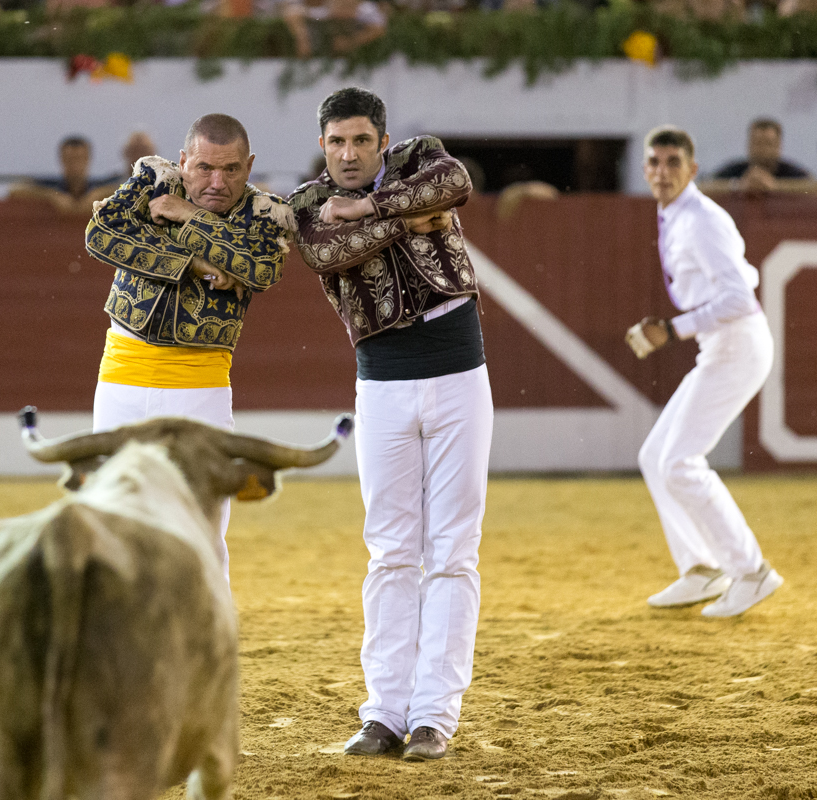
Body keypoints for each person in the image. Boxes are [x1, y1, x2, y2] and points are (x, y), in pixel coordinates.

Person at [288, 87, 492, 762]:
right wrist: (418, 219)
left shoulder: (419, 160)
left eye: (360, 141)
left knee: (452, 550)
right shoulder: (306, 205)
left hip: (459, 373)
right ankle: (383, 714)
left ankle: (434, 715)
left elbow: (456, 183)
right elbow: (327, 253)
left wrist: (375, 207)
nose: (349, 154)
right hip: (381, 384)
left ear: (382, 141)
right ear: (323, 146)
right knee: (392, 548)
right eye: (337, 142)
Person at [83, 113, 293, 578]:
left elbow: (261, 270)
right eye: (203, 168)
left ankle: (203, 643)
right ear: (183, 161)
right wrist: (194, 263)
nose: (217, 182)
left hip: (198, 384)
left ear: (249, 165)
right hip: (122, 376)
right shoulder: (152, 179)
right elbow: (101, 236)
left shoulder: (268, 213)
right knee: (114, 518)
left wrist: (189, 215)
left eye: (231, 170)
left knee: (203, 524)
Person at [625, 125, 783, 618]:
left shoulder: (702, 219)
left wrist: (671, 331)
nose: (662, 172)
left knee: (680, 463)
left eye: (673, 163)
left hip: (738, 344)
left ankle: (752, 571)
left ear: (692, 170)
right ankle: (701, 568)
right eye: (654, 162)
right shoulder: (676, 213)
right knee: (656, 456)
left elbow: (739, 298)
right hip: (723, 346)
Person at [699, 118, 817, 196]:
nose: (763, 150)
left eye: (768, 144)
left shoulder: (789, 171)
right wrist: (738, 186)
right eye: (758, 143)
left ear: (778, 146)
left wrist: (775, 186)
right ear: (749, 144)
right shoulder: (735, 169)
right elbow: (703, 187)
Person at [9, 136, 115, 215]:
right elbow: (15, 190)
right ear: (62, 159)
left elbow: (126, 188)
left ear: (88, 159)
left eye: (79, 158)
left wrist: (98, 194)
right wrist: (53, 196)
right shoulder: (52, 186)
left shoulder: (98, 185)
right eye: (70, 159)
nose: (74, 164)